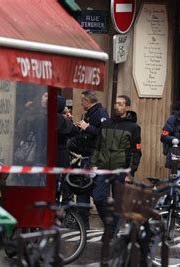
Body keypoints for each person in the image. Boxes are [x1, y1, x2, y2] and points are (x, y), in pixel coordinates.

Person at [91, 95, 142, 236]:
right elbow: (98, 146)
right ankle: (110, 223)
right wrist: (93, 165)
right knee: (98, 197)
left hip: (121, 169)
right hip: (103, 167)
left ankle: (112, 230)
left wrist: (130, 172)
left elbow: (136, 152)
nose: (117, 106)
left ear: (127, 107)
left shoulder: (133, 127)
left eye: (120, 104)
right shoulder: (106, 123)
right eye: (116, 103)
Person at [74, 90, 109, 228]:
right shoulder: (90, 114)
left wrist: (88, 128)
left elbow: (105, 134)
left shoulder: (100, 113)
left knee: (98, 194)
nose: (81, 104)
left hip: (96, 159)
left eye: (82, 101)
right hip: (86, 157)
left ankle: (108, 223)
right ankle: (82, 223)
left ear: (87, 101)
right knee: (82, 190)